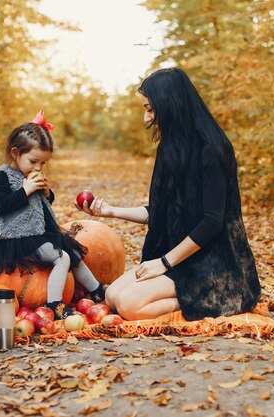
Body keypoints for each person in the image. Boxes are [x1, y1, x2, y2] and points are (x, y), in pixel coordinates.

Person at [76, 68, 261, 321]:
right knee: (112, 296)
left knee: (130, 306)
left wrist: (163, 263)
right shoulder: (170, 149)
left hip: (213, 264)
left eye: (151, 109)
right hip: (179, 258)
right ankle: (186, 296)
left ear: (170, 105)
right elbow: (160, 211)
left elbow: (211, 222)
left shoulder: (212, 149)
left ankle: (217, 297)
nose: (146, 118)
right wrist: (110, 211)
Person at [0, 111, 105, 320]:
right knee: (61, 257)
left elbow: (40, 207)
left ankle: (97, 290)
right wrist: (25, 190)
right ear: (14, 153)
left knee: (72, 253)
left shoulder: (28, 175)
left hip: (37, 234)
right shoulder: (1, 176)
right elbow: (2, 206)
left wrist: (47, 193)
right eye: (33, 161)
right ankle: (54, 305)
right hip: (16, 239)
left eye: (42, 163)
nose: (37, 168)